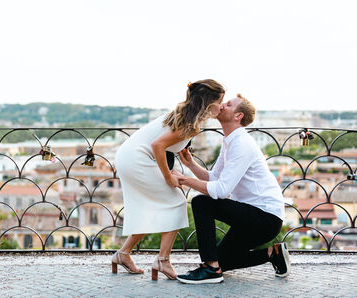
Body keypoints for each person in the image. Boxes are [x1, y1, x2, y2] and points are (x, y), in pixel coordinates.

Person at [112, 79, 225, 280]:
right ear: (210, 103)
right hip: (137, 159)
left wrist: (177, 164)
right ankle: (162, 260)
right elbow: (157, 145)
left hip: (130, 156)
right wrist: (167, 177)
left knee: (152, 206)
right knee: (175, 201)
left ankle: (123, 254)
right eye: (221, 101)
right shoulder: (191, 125)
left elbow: (164, 141)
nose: (222, 105)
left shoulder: (186, 116)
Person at [174, 94, 290, 284]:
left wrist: (184, 180)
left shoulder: (242, 144)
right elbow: (214, 178)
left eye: (228, 104)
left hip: (265, 218)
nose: (221, 105)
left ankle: (210, 268)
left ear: (238, 116)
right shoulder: (230, 141)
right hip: (251, 216)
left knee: (201, 202)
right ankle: (273, 253)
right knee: (223, 260)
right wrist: (191, 165)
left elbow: (220, 190)